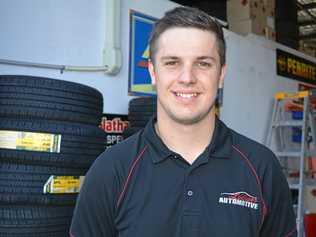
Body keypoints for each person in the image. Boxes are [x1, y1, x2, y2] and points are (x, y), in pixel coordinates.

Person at [70, 6, 297, 237]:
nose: (187, 78)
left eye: (203, 63)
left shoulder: (262, 168)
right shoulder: (110, 170)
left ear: (221, 75)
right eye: (172, 62)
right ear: (152, 73)